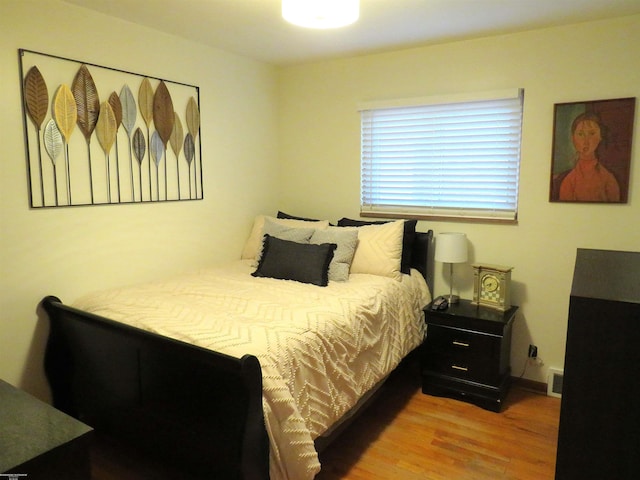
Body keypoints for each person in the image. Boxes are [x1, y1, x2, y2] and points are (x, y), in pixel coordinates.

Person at [557, 112, 620, 202]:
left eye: (592, 133)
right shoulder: (568, 181)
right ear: (572, 138)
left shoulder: (608, 179)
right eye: (580, 134)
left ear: (600, 137)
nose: (586, 141)